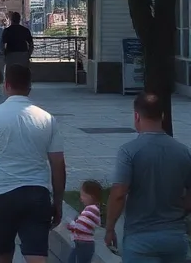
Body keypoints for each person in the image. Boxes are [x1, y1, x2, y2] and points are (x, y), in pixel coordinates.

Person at [0, 64, 66, 263]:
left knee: (1, 255)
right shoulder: (47, 118)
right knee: (37, 255)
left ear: (6, 85)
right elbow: (58, 164)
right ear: (30, 86)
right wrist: (57, 202)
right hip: (37, 194)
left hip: (1, 195)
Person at [104, 92, 191, 262]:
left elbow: (119, 193)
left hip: (140, 239)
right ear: (163, 116)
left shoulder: (128, 151)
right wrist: (181, 211)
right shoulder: (183, 151)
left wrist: (109, 228)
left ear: (137, 116)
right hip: (175, 237)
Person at [67, 180, 102, 263]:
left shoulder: (91, 209)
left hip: (83, 244)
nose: (81, 198)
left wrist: (72, 226)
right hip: (83, 243)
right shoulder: (92, 209)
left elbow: (82, 226)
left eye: (83, 195)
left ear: (91, 196)